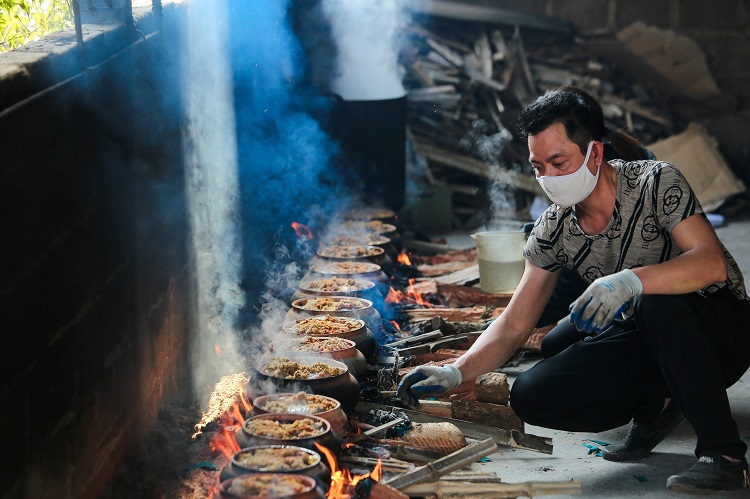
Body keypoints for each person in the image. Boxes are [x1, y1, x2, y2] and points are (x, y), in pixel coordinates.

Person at [398, 87, 750, 494]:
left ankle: (723, 455)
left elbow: (710, 263)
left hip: (721, 331)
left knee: (656, 303)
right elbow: (515, 322)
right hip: (651, 336)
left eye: (558, 161)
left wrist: (630, 280)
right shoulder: (554, 227)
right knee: (533, 392)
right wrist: (456, 370)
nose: (547, 177)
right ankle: (660, 405)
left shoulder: (655, 182)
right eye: (537, 166)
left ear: (595, 154)